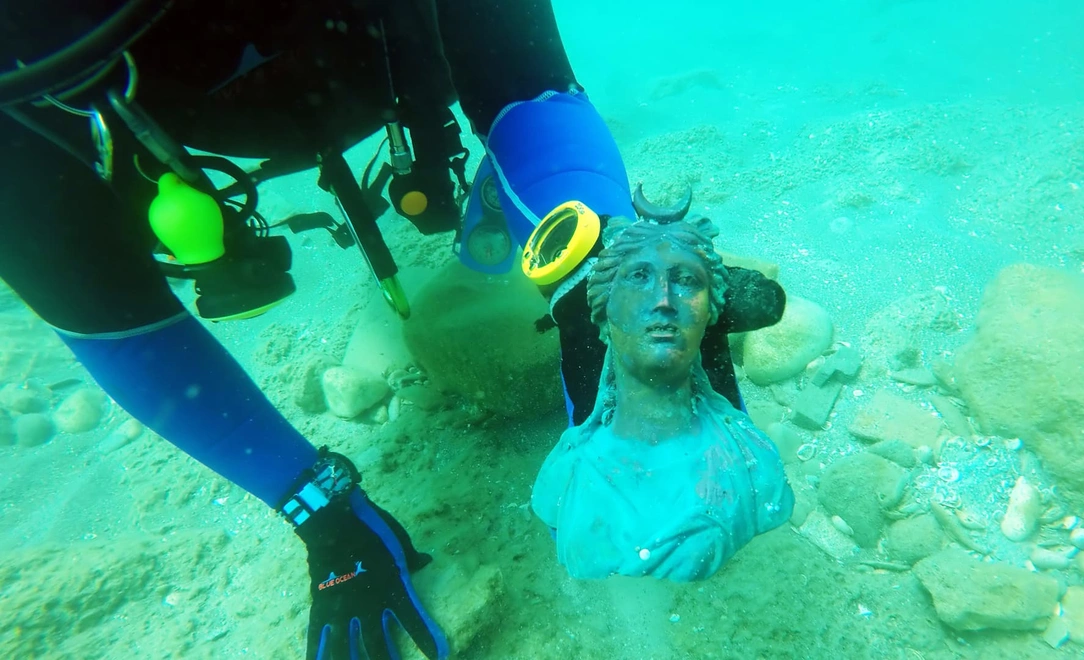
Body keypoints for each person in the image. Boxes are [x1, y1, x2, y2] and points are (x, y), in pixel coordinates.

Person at [0, 1, 785, 658]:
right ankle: (500, 216)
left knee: (516, 177)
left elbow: (525, 85)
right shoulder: (22, 46)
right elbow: (106, 317)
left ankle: (505, 210)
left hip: (392, 58)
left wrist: (599, 281)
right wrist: (316, 507)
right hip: (139, 100)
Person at [531, 215, 795, 582]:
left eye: (686, 281)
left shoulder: (755, 470)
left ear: (710, 311)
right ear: (604, 309)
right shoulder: (568, 477)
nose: (663, 300)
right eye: (639, 277)